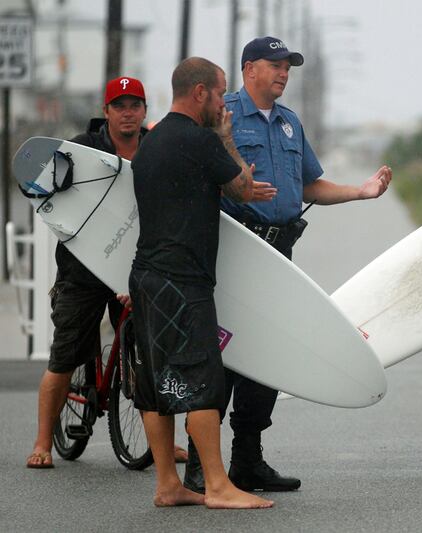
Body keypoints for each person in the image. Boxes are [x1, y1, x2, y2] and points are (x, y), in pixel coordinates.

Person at [182, 36, 391, 494]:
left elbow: (310, 184)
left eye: (288, 67)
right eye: (275, 65)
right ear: (248, 68)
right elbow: (194, 177)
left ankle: (248, 459)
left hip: (280, 252)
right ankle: (201, 463)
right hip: (236, 252)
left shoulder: (290, 124)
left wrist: (360, 192)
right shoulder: (222, 117)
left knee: (270, 355)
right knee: (226, 356)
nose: (283, 73)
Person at [129, 57, 276, 509]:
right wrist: (227, 139)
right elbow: (241, 188)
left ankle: (168, 485)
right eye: (220, 93)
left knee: (154, 385)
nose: (222, 102)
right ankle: (217, 485)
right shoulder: (201, 140)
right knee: (204, 380)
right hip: (184, 280)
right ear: (200, 94)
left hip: (146, 275)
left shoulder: (150, 142)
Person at [25, 76, 187, 468]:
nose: (128, 112)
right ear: (107, 111)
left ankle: (165, 444)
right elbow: (41, 189)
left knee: (153, 357)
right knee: (64, 356)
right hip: (82, 269)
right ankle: (43, 442)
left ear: (146, 110)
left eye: (135, 105)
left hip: (136, 267)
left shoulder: (156, 148)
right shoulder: (82, 149)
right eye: (120, 105)